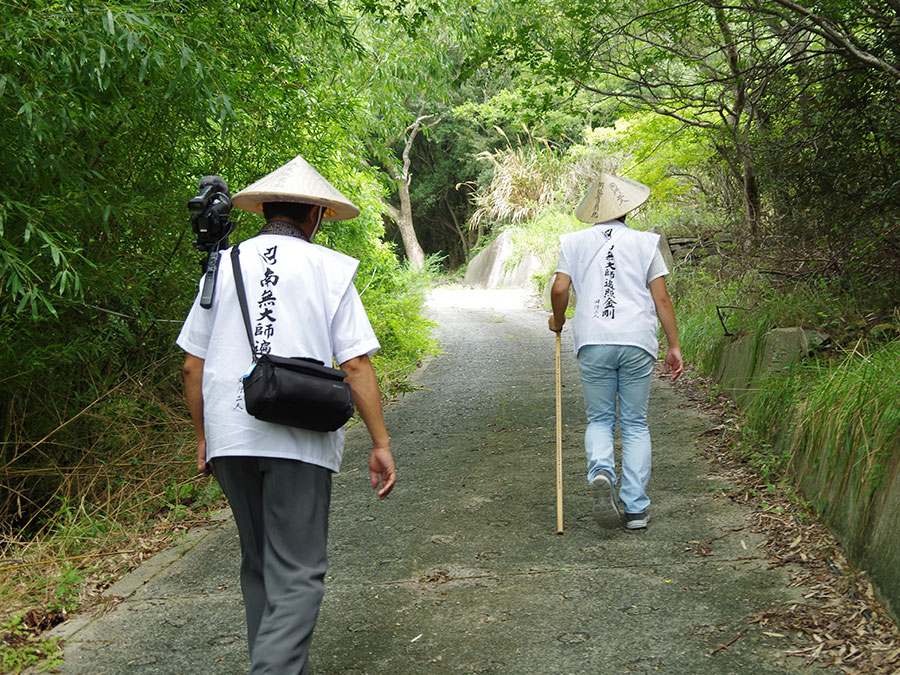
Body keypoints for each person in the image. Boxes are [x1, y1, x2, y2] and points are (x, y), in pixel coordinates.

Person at [177, 153, 395, 674]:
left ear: (263, 212)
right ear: (316, 215)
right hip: (300, 437)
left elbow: (191, 365)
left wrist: (204, 437)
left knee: (259, 568)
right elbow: (357, 364)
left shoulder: (222, 265)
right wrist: (380, 443)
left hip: (231, 436)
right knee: (298, 572)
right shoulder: (330, 269)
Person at [548, 173, 682, 531]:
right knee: (635, 423)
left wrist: (559, 319)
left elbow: (560, 287)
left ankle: (602, 470)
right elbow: (662, 299)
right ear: (627, 210)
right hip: (637, 340)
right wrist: (673, 345)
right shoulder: (645, 244)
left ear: (594, 211)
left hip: (593, 340)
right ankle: (636, 509)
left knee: (600, 420)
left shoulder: (573, 242)